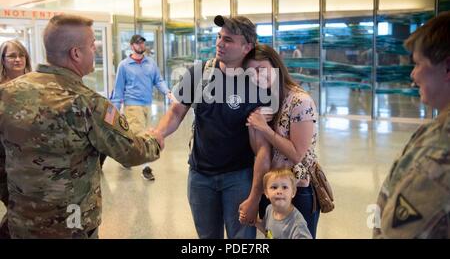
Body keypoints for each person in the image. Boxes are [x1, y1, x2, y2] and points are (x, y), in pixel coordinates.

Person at [0, 14, 162, 238]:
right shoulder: (87, 102)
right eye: (92, 45)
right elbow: (132, 152)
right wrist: (155, 140)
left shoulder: (6, 93)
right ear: (76, 53)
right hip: (72, 226)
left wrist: (16, 202)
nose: (95, 50)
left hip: (21, 224)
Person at [151, 15, 271, 239]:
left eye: (228, 40)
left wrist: (255, 196)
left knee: (241, 240)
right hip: (200, 177)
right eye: (218, 37)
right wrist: (159, 132)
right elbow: (177, 112)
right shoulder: (199, 73)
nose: (219, 43)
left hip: (239, 177)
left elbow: (262, 146)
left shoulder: (255, 81)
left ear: (247, 47)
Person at [373, 11, 450, 239]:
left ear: (447, 68)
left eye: (418, 64)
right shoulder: (435, 132)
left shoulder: (438, 150)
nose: (413, 75)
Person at [243, 44, 320, 238]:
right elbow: (259, 150)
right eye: (251, 74)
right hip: (272, 188)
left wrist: (264, 128)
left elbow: (296, 153)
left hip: (297, 190)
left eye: (261, 69)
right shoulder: (268, 100)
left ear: (275, 64)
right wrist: (255, 127)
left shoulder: (300, 101)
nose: (257, 77)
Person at [105, 34, 172, 181]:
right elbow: (118, 89)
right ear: (131, 46)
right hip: (132, 106)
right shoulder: (124, 65)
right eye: (138, 43)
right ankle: (145, 168)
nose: (141, 46)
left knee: (131, 135)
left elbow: (158, 80)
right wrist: (113, 111)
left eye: (143, 43)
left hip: (147, 105)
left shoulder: (150, 63)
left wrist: (168, 92)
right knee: (143, 135)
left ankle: (122, 157)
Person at [0, 39, 32, 239]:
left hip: (30, 159)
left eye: (21, 55)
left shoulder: (35, 84)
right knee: (14, 205)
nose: (18, 59)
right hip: (3, 158)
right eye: (12, 55)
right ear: (2, 60)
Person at [253, 168, 311, 239]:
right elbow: (268, 231)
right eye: (274, 187)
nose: (279, 191)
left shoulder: (297, 224)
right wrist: (254, 221)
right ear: (266, 193)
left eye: (284, 187)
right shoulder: (269, 209)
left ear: (293, 192)